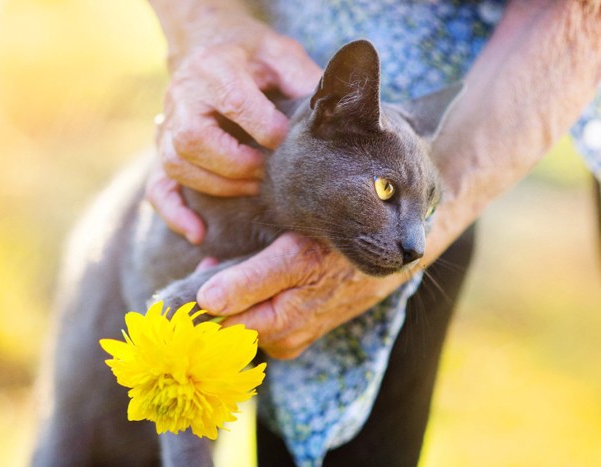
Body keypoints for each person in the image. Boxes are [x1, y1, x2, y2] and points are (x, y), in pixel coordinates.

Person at [144, 0, 601, 465]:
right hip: (294, 82)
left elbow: (582, 13)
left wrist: (441, 208)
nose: (415, 247)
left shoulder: (412, 219)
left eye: (425, 214)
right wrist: (204, 27)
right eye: (385, 192)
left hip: (503, 111)